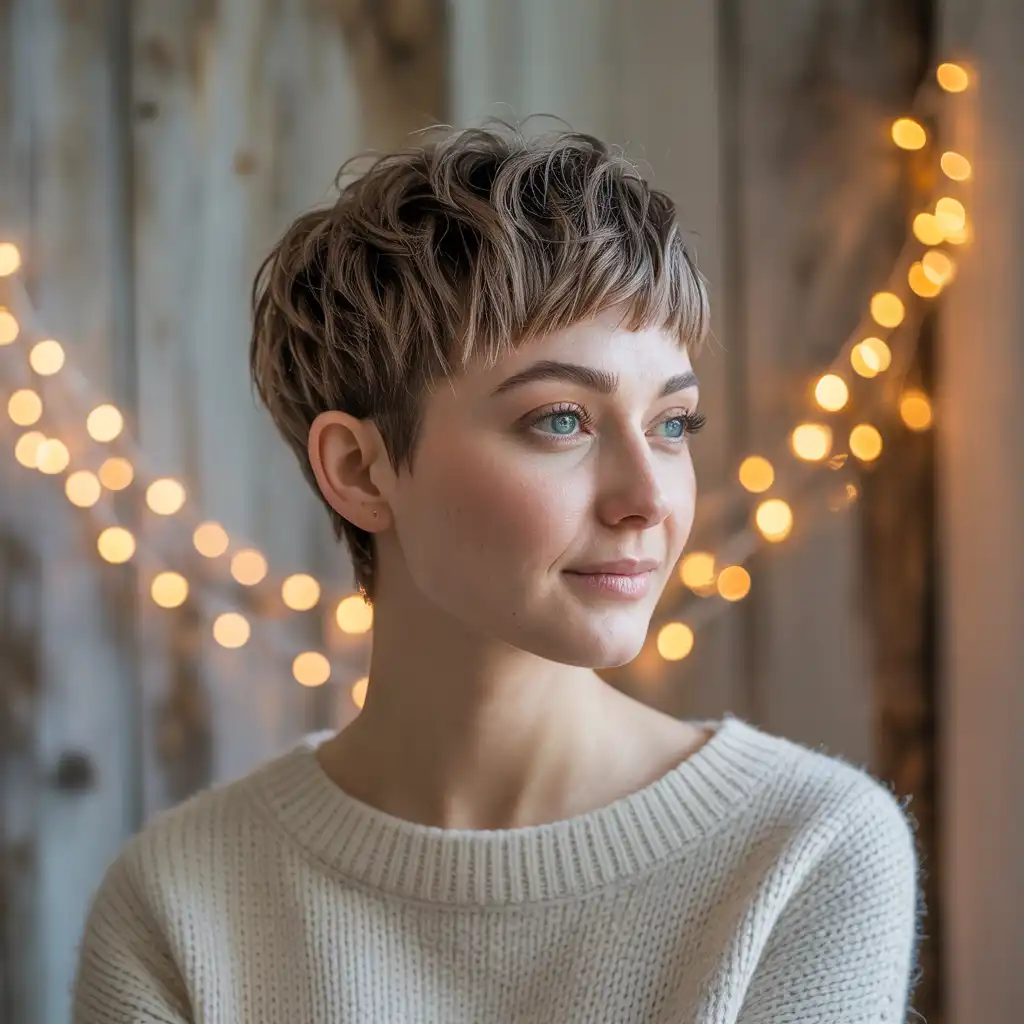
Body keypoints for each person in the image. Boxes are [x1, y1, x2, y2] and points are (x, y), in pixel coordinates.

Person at [73, 122, 922, 1023]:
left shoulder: (807, 849)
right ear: (359, 471)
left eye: (674, 424)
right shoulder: (175, 904)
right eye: (562, 420)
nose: (649, 499)